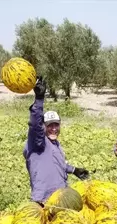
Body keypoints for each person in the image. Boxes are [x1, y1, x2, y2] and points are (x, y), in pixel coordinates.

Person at [23, 76, 89, 204]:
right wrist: (39, 100)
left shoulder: (56, 144)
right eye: (49, 126)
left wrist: (73, 170)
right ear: (43, 127)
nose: (53, 129)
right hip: (44, 201)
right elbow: (35, 125)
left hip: (60, 199)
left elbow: (57, 163)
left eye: (56, 125)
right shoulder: (38, 143)